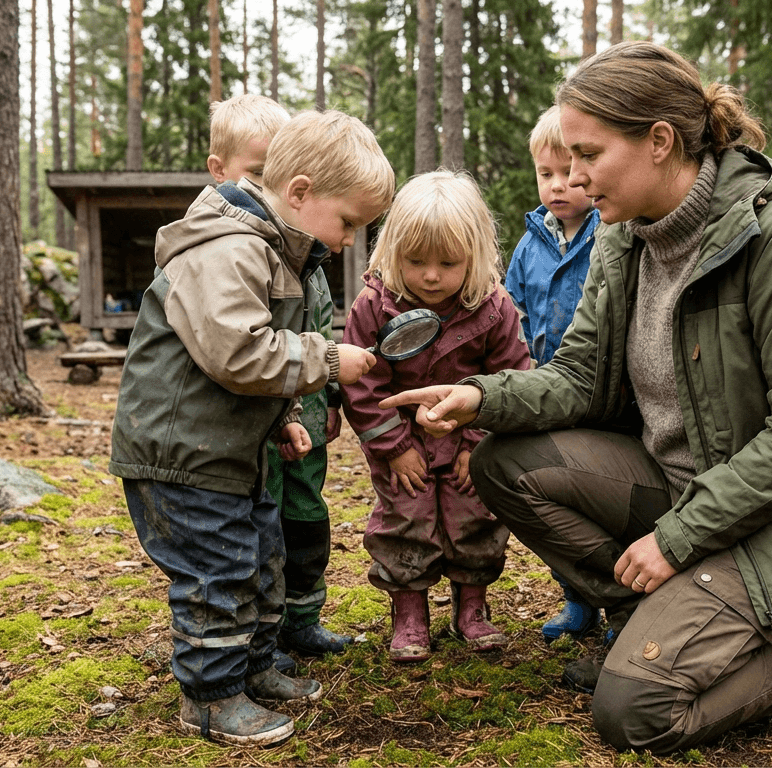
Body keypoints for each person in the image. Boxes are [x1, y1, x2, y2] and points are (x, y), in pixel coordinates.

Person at [380, 42, 772, 754]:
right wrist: (481, 397)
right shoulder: (624, 239)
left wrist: (677, 540)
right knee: (502, 463)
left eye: (588, 154)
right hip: (680, 491)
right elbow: (580, 377)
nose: (571, 176)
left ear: (659, 142)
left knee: (637, 712)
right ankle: (654, 613)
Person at [109, 110, 394, 747]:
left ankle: (256, 668)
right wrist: (324, 360)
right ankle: (210, 696)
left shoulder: (277, 252)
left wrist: (287, 417)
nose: (349, 240)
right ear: (298, 193)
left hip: (235, 451)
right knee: (219, 572)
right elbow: (237, 354)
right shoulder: (228, 250)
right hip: (182, 454)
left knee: (263, 556)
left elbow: (258, 362)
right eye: (348, 221)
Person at [340, 170, 533, 662]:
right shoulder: (374, 307)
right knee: (406, 519)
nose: (430, 276)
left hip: (468, 439)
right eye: (415, 261)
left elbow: (511, 377)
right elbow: (363, 384)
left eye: (448, 263)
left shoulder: (492, 307)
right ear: (391, 251)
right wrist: (394, 447)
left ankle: (472, 606)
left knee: (475, 519)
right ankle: (409, 613)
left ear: (476, 255)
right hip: (403, 446)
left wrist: (479, 446)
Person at [205, 94, 356, 671]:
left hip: (305, 419)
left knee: (306, 516)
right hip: (255, 427)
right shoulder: (236, 254)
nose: (270, 187)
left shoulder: (306, 258)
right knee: (261, 528)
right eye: (258, 173)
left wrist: (331, 397)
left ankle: (303, 618)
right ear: (220, 172)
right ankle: (255, 639)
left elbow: (322, 329)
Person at [506, 105, 604, 643]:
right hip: (542, 387)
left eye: (569, 173)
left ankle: (619, 608)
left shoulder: (607, 234)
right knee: (556, 497)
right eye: (546, 174)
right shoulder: (530, 243)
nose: (558, 186)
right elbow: (511, 310)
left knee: (594, 498)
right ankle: (575, 598)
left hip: (595, 391)